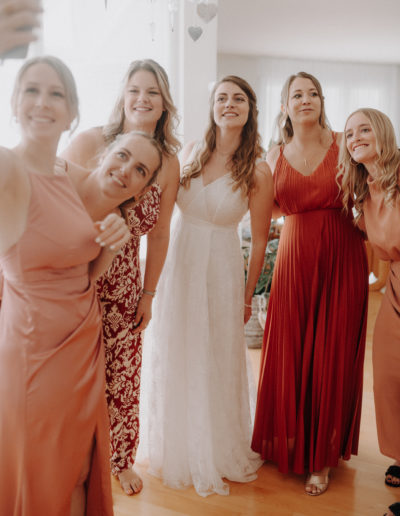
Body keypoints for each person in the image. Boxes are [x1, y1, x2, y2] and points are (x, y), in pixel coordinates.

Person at [0, 56, 162, 516]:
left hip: (82, 339)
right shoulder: (25, 171)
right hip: (33, 338)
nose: (126, 169)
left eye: (140, 170)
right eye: (122, 156)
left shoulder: (106, 209)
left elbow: (87, 275)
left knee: (79, 465)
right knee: (40, 462)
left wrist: (113, 246)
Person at [140, 75, 274, 497]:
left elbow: (259, 241)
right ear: (212, 107)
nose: (229, 104)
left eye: (238, 99)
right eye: (221, 98)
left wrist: (248, 296)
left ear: (250, 110)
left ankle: (214, 446)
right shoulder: (191, 153)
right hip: (180, 261)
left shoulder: (258, 170)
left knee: (214, 351)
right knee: (177, 344)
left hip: (221, 267)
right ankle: (176, 442)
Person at [62, 58, 180, 495]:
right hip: (74, 271)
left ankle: (121, 459)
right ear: (122, 96)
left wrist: (148, 293)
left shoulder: (168, 163)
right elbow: (56, 201)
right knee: (73, 371)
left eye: (152, 92)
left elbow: (160, 232)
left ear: (164, 103)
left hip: (125, 280)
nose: (142, 99)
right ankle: (70, 455)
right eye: (134, 90)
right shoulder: (91, 141)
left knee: (123, 374)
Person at [251, 72, 368, 496]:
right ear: (284, 106)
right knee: (292, 348)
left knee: (331, 352)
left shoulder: (343, 143)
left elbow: (370, 190)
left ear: (321, 101)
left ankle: (321, 457)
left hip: (342, 257)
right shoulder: (272, 155)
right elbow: (269, 212)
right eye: (297, 94)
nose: (306, 99)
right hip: (293, 259)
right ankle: (290, 438)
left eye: (313, 93)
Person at [339, 107, 400, 490]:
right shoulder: (363, 192)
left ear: (382, 133)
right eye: (349, 134)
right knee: (388, 374)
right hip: (395, 283)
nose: (355, 138)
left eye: (364, 130)